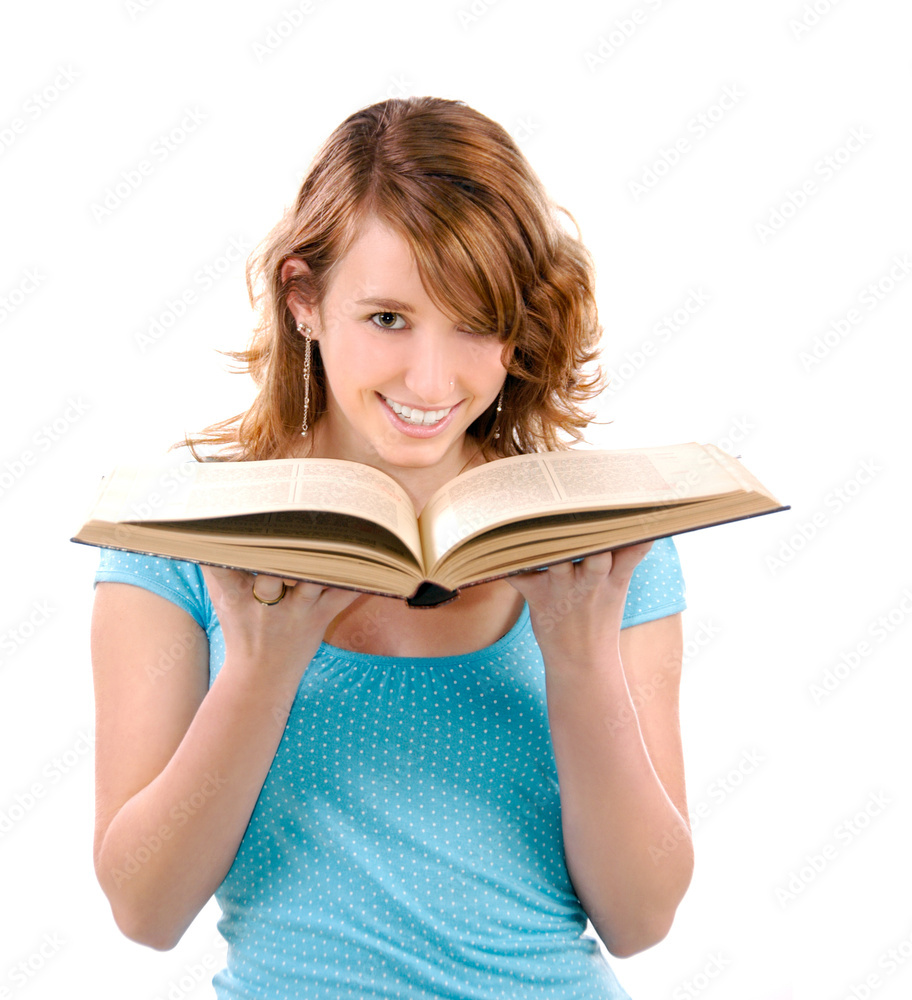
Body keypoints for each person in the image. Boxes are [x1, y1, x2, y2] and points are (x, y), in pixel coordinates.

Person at [89, 96, 693, 999]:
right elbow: (145, 911)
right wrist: (260, 668)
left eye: (476, 321)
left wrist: (579, 659)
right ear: (304, 299)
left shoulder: (598, 548)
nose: (432, 379)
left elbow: (642, 921)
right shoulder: (180, 537)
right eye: (387, 319)